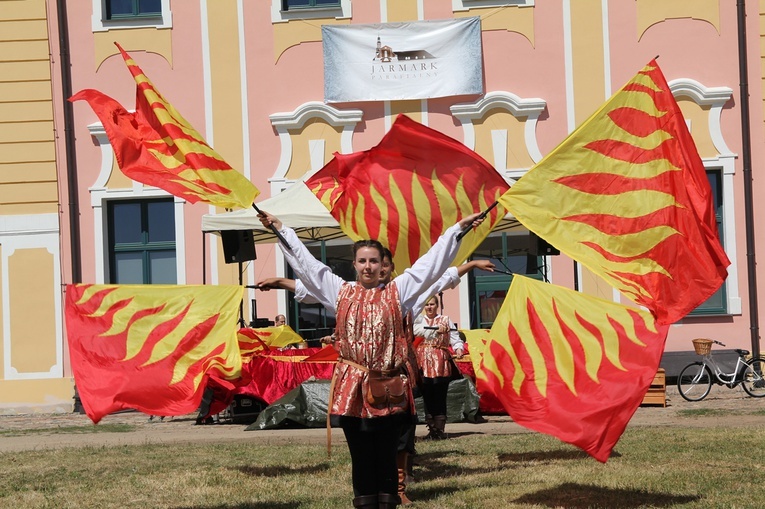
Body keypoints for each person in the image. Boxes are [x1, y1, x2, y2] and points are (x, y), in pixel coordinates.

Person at [257, 209, 483, 509]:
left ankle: (390, 500)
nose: (368, 266)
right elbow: (308, 266)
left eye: (374, 261)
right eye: (362, 261)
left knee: (387, 454)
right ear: (354, 265)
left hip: (388, 387)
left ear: (382, 266)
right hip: (352, 389)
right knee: (361, 456)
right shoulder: (340, 291)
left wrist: (457, 229)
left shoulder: (398, 291)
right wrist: (281, 229)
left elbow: (430, 265)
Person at [413, 294, 464, 441]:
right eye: (427, 305)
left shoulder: (445, 320)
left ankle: (440, 430)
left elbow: (455, 339)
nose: (429, 307)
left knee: (440, 394)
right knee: (427, 395)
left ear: (437, 305)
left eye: (432, 304)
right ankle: (432, 430)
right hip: (422, 360)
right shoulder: (418, 321)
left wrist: (459, 348)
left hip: (440, 361)